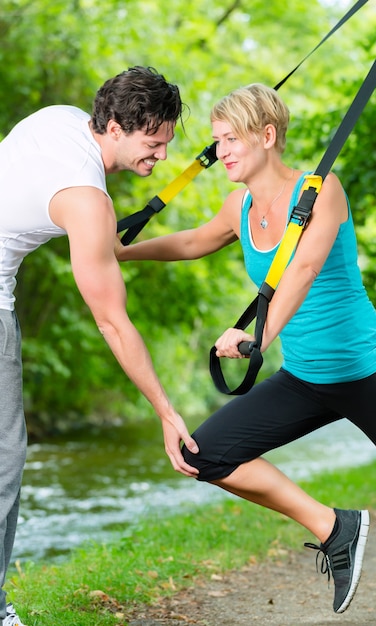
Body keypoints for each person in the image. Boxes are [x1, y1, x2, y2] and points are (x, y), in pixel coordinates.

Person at [116, 82, 376, 615]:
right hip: (306, 380)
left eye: (232, 138)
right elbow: (192, 242)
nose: (222, 150)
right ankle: (335, 527)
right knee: (203, 455)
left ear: (268, 135)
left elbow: (300, 271)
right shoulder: (240, 206)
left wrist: (258, 338)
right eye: (217, 140)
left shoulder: (322, 190)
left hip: (369, 370)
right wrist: (121, 251)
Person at [0, 65, 200, 626]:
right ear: (115, 127)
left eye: (166, 144)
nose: (160, 156)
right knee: (4, 457)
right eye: (153, 143)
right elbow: (113, 322)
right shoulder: (88, 198)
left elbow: (100, 240)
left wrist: (117, 244)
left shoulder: (61, 120)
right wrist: (165, 410)